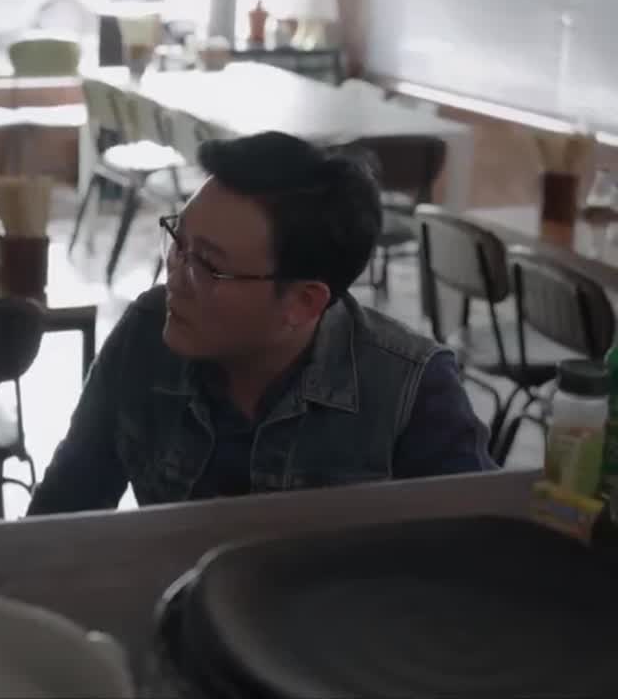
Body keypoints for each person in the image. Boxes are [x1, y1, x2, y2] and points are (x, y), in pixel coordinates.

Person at [28, 131, 493, 516]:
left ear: (303, 303)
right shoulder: (146, 334)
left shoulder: (410, 389)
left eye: (207, 264)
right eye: (178, 241)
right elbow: (62, 512)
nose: (175, 277)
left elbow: (476, 555)